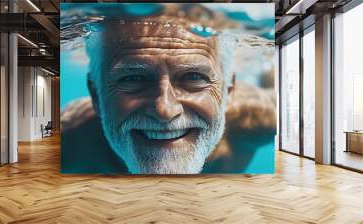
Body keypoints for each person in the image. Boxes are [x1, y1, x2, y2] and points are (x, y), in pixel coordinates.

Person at [61, 5, 276, 174]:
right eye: (134, 78)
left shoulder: (257, 120)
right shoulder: (71, 138)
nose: (165, 111)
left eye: (193, 77)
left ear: (228, 92)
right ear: (96, 95)